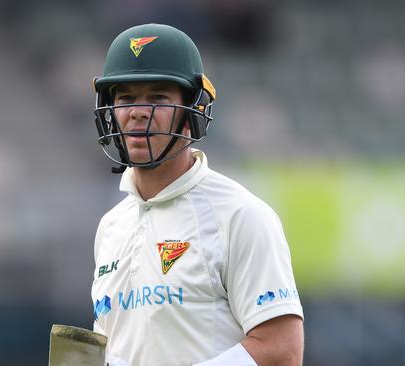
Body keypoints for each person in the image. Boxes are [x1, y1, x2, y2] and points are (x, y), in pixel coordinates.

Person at [91, 23, 304, 366]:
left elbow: (282, 350)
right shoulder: (111, 227)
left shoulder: (241, 215)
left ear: (194, 111)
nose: (137, 111)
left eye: (158, 97)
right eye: (125, 97)